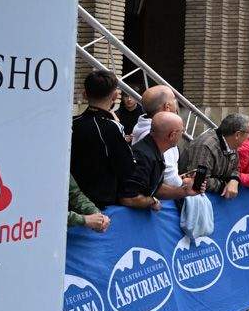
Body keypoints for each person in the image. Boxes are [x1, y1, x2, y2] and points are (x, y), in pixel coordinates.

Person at [70, 70, 136, 209]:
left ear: (85, 94)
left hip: (71, 200)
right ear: (115, 95)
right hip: (101, 205)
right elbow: (127, 169)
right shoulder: (110, 127)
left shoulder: (71, 123)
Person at [122, 111, 194, 210]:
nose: (183, 134)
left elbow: (155, 188)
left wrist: (185, 191)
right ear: (172, 135)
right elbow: (129, 198)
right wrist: (152, 201)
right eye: (182, 131)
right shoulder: (144, 156)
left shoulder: (154, 150)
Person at [180, 113, 248, 199]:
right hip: (191, 198)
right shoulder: (206, 146)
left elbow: (236, 168)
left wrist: (234, 180)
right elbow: (198, 179)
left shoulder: (232, 144)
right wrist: (223, 185)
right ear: (237, 135)